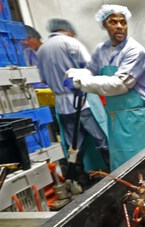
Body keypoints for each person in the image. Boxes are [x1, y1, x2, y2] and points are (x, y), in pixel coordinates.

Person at [65, 5, 145, 171]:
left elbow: (120, 85)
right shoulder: (102, 50)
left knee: (142, 165)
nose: (120, 26)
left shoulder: (135, 51)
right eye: (113, 22)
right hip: (115, 119)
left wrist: (82, 83)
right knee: (121, 165)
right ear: (104, 25)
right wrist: (75, 73)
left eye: (123, 22)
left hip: (136, 119)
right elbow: (90, 71)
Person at [37, 19, 110, 174]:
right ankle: (112, 170)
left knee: (74, 144)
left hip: (62, 104)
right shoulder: (71, 43)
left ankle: (79, 179)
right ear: (68, 30)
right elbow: (91, 68)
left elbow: (43, 79)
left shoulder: (42, 49)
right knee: (101, 137)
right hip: (81, 100)